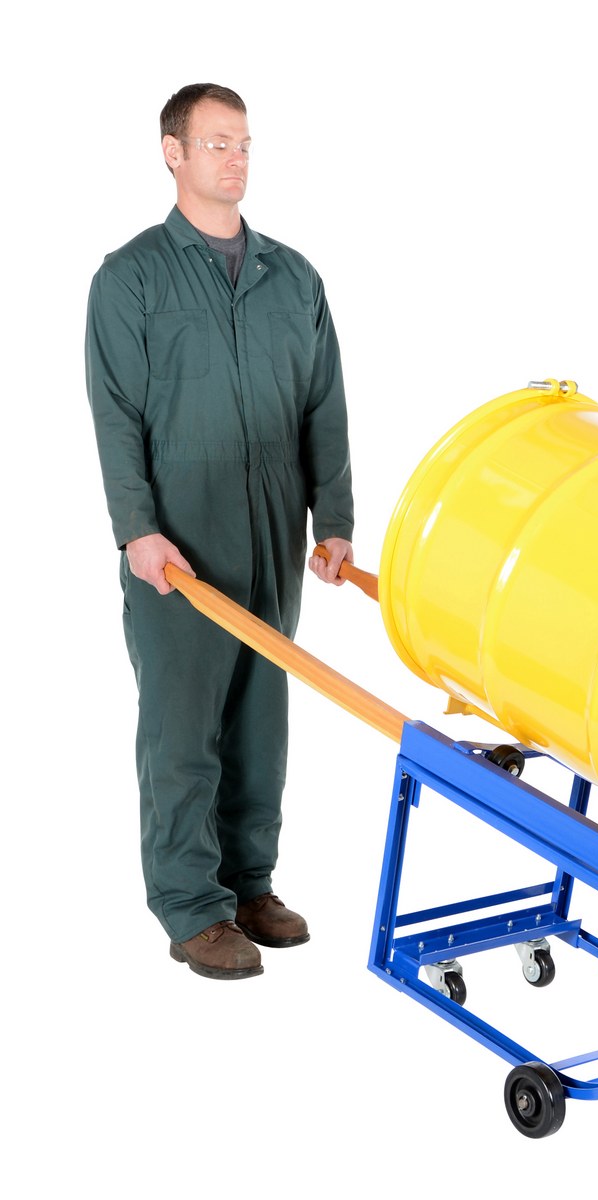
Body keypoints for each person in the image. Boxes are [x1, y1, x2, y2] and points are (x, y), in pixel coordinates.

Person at [85, 83, 354, 980]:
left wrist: (333, 520)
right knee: (183, 722)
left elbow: (324, 406)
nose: (235, 159)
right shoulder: (131, 276)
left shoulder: (293, 276)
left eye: (243, 144)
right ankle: (190, 905)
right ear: (173, 152)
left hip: (273, 517)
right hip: (179, 529)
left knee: (259, 718)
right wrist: (137, 528)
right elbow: (116, 413)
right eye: (215, 143)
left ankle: (248, 884)